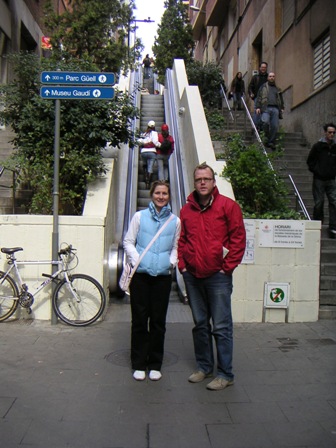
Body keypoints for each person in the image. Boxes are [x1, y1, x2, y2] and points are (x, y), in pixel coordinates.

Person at [178, 163, 246, 391]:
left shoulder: (229, 207)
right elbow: (182, 240)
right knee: (200, 324)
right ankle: (204, 367)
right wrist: (183, 266)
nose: (203, 183)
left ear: (214, 182)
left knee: (221, 326)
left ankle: (226, 374)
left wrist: (226, 268)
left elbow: (238, 239)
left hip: (218, 277)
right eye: (199, 180)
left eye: (207, 179)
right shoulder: (186, 210)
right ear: (194, 183)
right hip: (193, 276)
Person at [123, 180, 181, 381]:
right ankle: (138, 363)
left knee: (158, 322)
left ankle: (155, 364)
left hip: (162, 278)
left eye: (165, 193)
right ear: (152, 194)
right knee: (139, 320)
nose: (161, 196)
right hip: (140, 277)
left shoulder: (175, 221)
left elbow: (176, 246)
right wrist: (137, 259)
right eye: (158, 193)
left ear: (169, 196)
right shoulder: (139, 217)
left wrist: (170, 263)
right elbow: (128, 241)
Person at [307, 123, 336, 238]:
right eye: (329, 132)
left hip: (331, 179)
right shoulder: (318, 146)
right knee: (319, 203)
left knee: (334, 202)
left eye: (333, 132)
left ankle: (333, 227)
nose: (331, 134)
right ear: (325, 133)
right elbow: (310, 161)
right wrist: (317, 171)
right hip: (319, 179)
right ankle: (318, 224)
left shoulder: (335, 147)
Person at [255, 72, 284, 149]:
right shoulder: (263, 87)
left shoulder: (277, 88)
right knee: (265, 123)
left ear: (274, 78)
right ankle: (266, 138)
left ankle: (271, 141)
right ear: (268, 78)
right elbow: (259, 97)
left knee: (274, 126)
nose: (272, 78)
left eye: (273, 76)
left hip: (275, 108)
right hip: (265, 108)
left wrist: (282, 107)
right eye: (270, 76)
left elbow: (280, 99)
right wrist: (258, 107)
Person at [137, 120, 159, 189]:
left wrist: (145, 143)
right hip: (152, 152)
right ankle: (148, 182)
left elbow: (139, 141)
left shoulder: (144, 134)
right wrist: (159, 145)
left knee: (144, 165)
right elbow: (156, 143)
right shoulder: (155, 133)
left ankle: (144, 177)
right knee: (150, 167)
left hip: (143, 152)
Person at [248, 62, 268, 130]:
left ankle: (262, 127)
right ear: (260, 68)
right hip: (257, 97)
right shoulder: (255, 77)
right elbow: (250, 86)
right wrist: (251, 93)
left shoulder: (268, 77)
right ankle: (255, 127)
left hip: (266, 98)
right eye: (262, 67)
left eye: (264, 67)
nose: (263, 69)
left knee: (265, 112)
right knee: (257, 111)